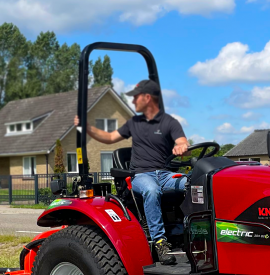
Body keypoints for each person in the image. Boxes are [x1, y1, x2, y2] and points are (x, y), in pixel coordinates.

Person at [74, 80, 188, 265]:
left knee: (193, 183)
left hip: (165, 174)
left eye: (136, 97)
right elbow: (110, 137)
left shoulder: (169, 122)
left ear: (147, 97)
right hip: (141, 176)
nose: (133, 102)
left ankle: (195, 234)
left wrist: (182, 147)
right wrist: (87, 127)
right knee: (151, 191)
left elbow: (182, 141)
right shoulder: (134, 123)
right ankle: (160, 242)